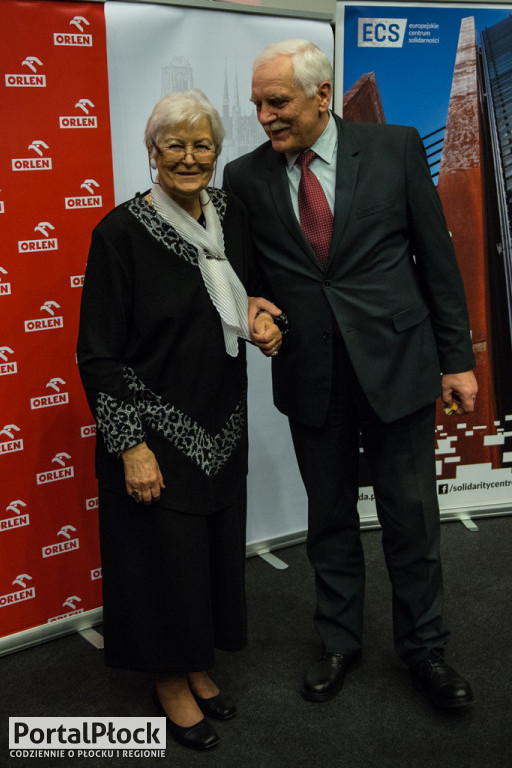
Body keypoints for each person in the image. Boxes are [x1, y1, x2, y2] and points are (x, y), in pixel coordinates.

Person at [224, 39, 478, 709]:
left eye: (277, 102)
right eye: (257, 104)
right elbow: (245, 278)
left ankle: (426, 650)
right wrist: (252, 308)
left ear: (321, 95)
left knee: (411, 522)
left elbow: (436, 259)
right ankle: (339, 641)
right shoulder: (244, 176)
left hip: (398, 367)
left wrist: (457, 361)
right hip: (312, 375)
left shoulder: (395, 149)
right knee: (329, 520)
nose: (264, 117)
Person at [77, 88, 282, 751]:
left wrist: (262, 319)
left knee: (207, 556)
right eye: (176, 145)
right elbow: (98, 354)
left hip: (221, 419)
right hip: (153, 431)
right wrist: (130, 446)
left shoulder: (229, 212)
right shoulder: (118, 234)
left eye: (202, 145)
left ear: (216, 152)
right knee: (159, 562)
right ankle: (167, 679)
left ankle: (195, 660)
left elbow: (248, 291)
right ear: (152, 150)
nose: (190, 157)